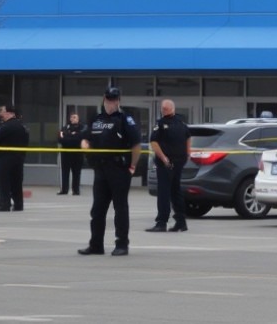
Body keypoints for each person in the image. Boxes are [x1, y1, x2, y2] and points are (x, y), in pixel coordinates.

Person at [78, 86, 142, 256]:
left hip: (119, 169)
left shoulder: (125, 119)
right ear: (104, 99)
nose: (111, 103)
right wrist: (84, 143)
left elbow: (136, 144)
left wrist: (132, 167)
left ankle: (122, 244)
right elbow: (86, 137)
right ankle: (96, 244)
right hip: (100, 169)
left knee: (120, 208)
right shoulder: (96, 119)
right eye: (108, 99)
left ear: (119, 101)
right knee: (97, 209)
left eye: (114, 100)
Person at [146, 99, 192, 233]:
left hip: (169, 163)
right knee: (175, 191)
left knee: (164, 192)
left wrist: (165, 158)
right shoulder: (180, 122)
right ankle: (181, 222)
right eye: (162, 108)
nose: (163, 110)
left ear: (172, 109)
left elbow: (154, 142)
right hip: (174, 162)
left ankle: (162, 222)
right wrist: (185, 155)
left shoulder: (167, 123)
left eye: (165, 108)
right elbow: (188, 137)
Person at [0, 104, 29, 212]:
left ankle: (5, 204)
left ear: (10, 113)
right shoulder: (22, 126)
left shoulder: (7, 126)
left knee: (4, 182)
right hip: (19, 158)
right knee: (17, 182)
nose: (2, 114)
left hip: (5, 157)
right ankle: (19, 205)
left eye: (4, 112)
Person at [57, 112, 86, 196]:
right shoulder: (65, 127)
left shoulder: (82, 127)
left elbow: (79, 138)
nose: (73, 119)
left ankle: (76, 190)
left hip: (77, 154)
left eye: (75, 117)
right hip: (66, 154)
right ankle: (64, 190)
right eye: (72, 117)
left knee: (76, 172)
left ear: (78, 119)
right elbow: (60, 139)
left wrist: (67, 136)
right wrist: (71, 136)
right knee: (65, 172)